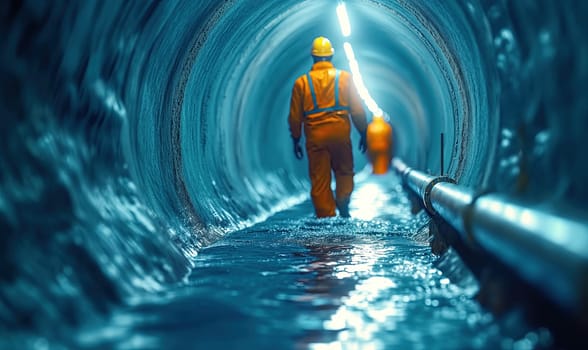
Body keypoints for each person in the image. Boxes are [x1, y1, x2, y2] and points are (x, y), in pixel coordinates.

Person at [288, 36, 367, 218]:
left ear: (313, 57)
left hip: (315, 137)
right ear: (331, 56)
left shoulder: (302, 83)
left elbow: (294, 117)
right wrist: (363, 132)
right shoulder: (345, 78)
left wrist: (296, 139)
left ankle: (326, 217)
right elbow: (357, 110)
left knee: (320, 180)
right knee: (344, 170)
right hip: (340, 133)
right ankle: (342, 198)